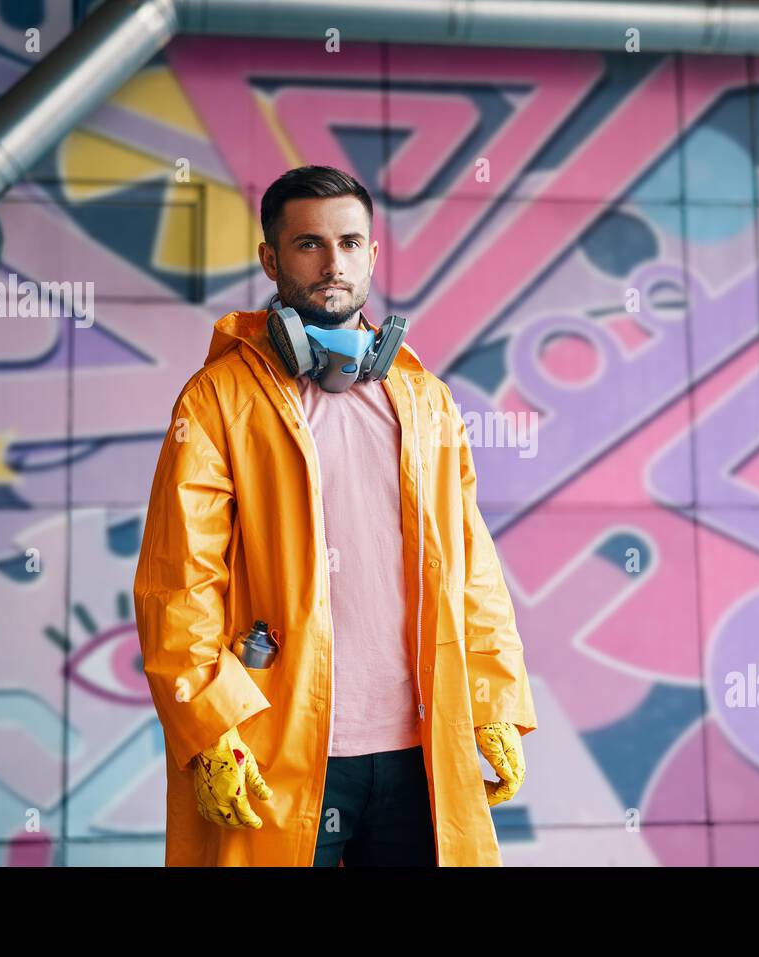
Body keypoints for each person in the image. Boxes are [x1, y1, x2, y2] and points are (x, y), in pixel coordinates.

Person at [133, 165, 537, 866]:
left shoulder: (425, 399)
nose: (333, 263)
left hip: (419, 746)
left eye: (350, 243)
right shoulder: (217, 400)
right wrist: (209, 722)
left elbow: (470, 567)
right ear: (271, 259)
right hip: (278, 746)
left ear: (373, 256)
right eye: (309, 245)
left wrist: (495, 692)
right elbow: (179, 582)